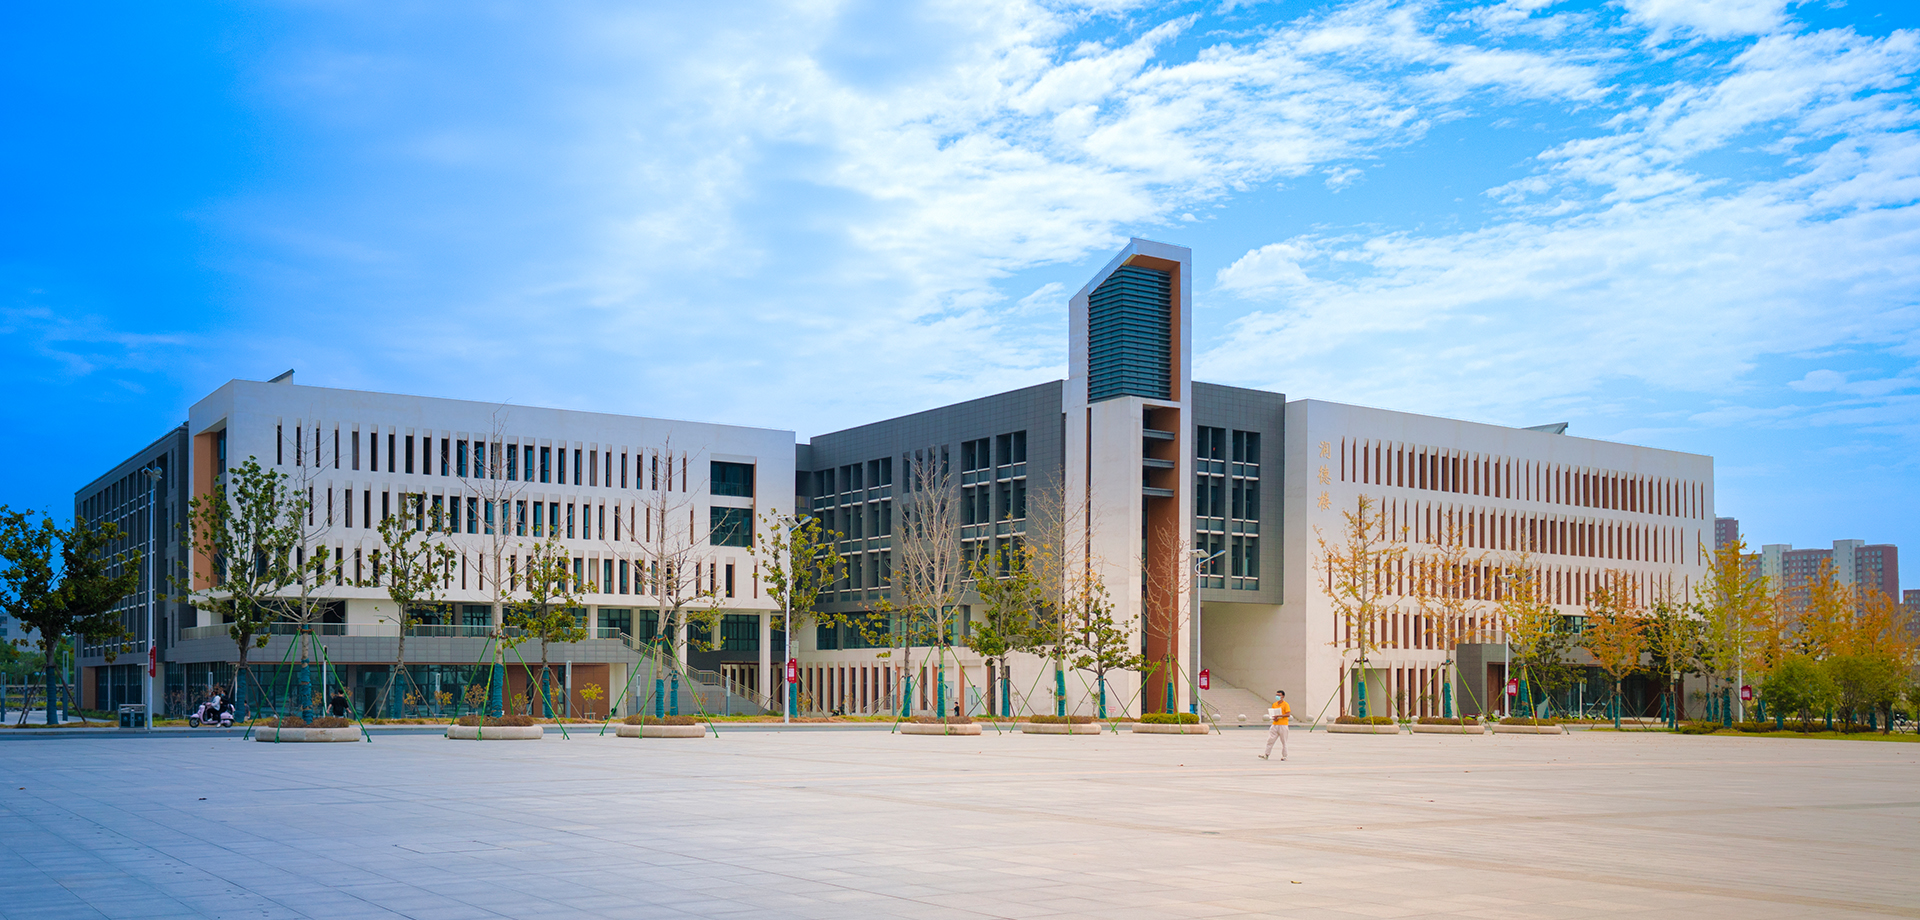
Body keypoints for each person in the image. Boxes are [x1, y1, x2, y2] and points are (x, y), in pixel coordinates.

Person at [1260, 690, 1289, 760]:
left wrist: (1279, 716)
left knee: (1284, 741)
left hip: (1283, 725)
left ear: (1283, 696)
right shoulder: (1274, 704)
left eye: (1279, 695)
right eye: (1277, 695)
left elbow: (1288, 714)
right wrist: (1274, 717)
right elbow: (1273, 713)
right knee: (1270, 739)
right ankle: (1266, 754)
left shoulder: (1285, 704)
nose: (1277, 696)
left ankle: (1284, 756)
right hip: (1275, 724)